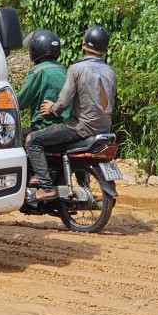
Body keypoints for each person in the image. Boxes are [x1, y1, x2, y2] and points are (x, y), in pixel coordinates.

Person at [25, 25, 117, 202]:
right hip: (104, 129)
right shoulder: (110, 72)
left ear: (84, 45)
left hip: (81, 127)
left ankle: (45, 188)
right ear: (104, 49)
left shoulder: (76, 69)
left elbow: (63, 102)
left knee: (34, 140)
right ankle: (83, 187)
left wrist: (51, 108)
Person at [16, 29, 70, 136]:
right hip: (66, 125)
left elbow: (21, 102)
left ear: (35, 49)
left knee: (16, 138)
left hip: (45, 125)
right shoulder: (64, 70)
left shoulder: (38, 71)